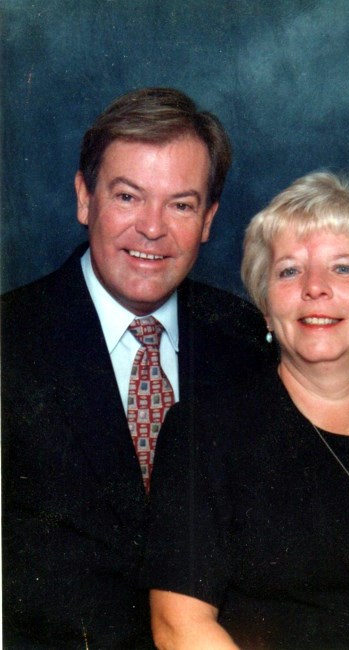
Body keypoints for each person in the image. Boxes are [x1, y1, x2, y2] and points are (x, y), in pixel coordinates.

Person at [143, 171, 349, 650]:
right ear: (266, 308)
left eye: (344, 268)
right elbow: (178, 626)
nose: (315, 287)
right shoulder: (205, 430)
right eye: (290, 271)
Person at [1, 88, 273, 649]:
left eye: (181, 205)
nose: (152, 228)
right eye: (128, 196)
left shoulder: (250, 341)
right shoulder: (11, 338)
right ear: (85, 199)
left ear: (208, 219)